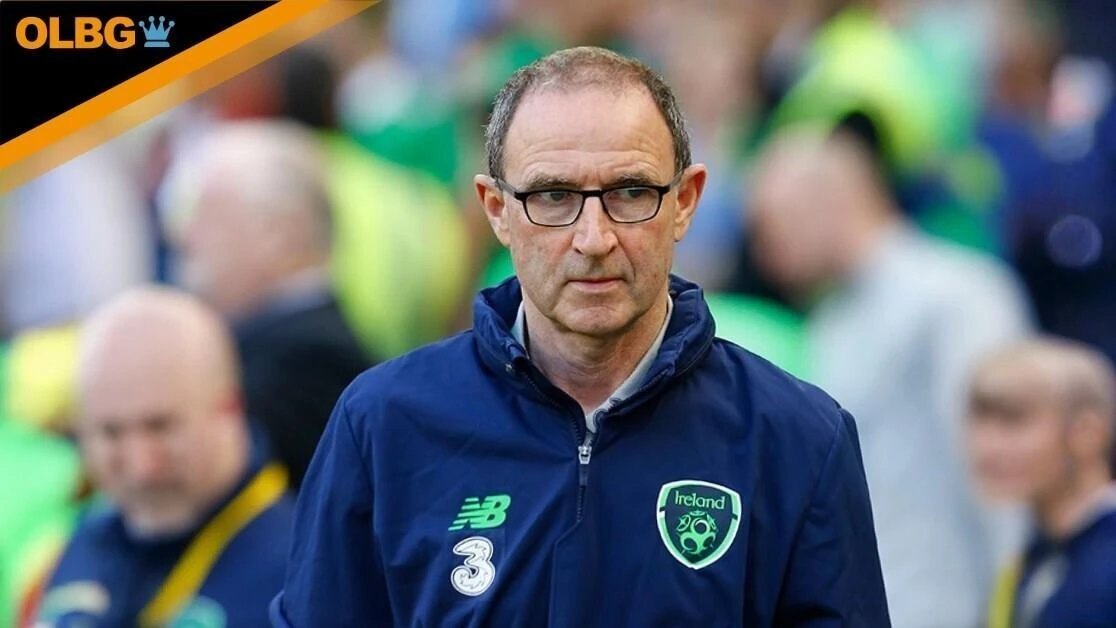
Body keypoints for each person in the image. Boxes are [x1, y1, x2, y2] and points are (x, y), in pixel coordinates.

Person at [270, 46, 889, 627]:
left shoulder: (799, 438)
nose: (594, 239)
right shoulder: (383, 424)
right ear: (496, 210)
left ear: (685, 201)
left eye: (629, 192)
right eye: (554, 196)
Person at [747, 122, 1033, 627]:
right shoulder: (832, 321)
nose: (766, 252)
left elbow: (1009, 467)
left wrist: (1019, 605)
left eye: (776, 222)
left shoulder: (957, 294)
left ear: (832, 200)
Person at [33, 286, 293, 627]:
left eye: (161, 427)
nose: (143, 468)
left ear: (230, 409)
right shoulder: (83, 542)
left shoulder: (300, 570)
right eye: (110, 432)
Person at [161, 119, 374, 490]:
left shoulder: (306, 364)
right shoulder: (287, 349)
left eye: (206, 215)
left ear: (277, 232)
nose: (185, 235)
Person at [968, 336, 1116, 628]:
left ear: (1088, 432)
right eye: (981, 420)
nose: (987, 446)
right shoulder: (1028, 562)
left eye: (1013, 421)